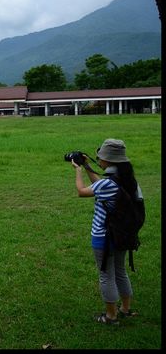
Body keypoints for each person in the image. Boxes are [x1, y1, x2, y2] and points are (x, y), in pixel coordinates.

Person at [71, 138, 142, 325]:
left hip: (104, 236)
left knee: (106, 274)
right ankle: (125, 308)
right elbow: (100, 186)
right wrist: (87, 166)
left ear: (108, 161)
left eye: (100, 157)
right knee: (120, 271)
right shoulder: (129, 181)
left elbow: (82, 191)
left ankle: (110, 316)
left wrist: (78, 170)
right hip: (123, 235)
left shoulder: (108, 184)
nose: (98, 160)